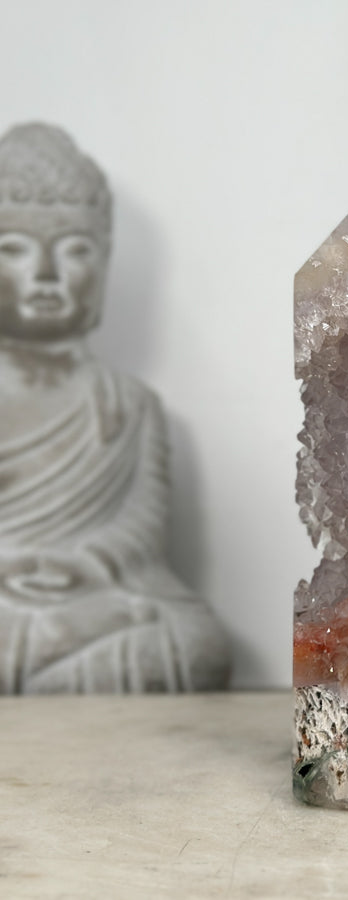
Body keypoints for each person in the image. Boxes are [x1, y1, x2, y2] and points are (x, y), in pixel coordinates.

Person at [0, 123, 229, 692]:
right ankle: (51, 664)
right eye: (14, 249)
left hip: (89, 593)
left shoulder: (129, 404)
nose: (46, 275)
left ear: (102, 265)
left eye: (74, 251)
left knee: (196, 642)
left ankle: (39, 663)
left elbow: (142, 529)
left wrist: (85, 566)